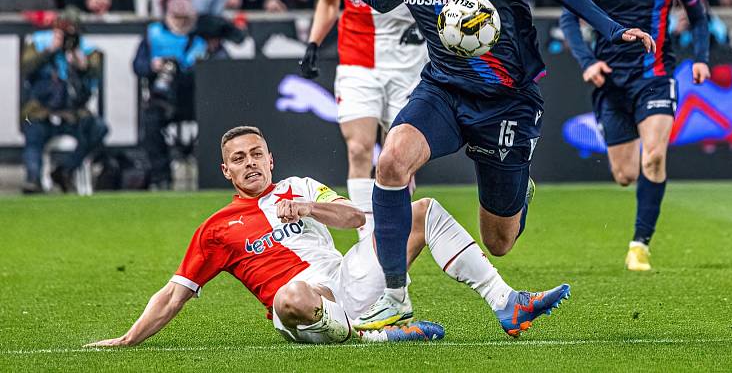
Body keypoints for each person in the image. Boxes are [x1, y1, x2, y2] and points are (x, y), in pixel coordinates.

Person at [288, 0, 653, 330]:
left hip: (507, 103)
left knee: (498, 241)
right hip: (443, 89)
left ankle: (520, 195)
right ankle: (395, 296)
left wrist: (613, 29)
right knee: (391, 162)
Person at [84, 126, 570, 346]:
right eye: (240, 158)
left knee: (423, 211)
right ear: (225, 170)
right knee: (290, 296)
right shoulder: (215, 230)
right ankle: (373, 336)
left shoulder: (297, 185)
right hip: (307, 306)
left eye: (257, 154)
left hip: (350, 276)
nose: (250, 163)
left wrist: (309, 205)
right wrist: (128, 339)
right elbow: (175, 293)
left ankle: (505, 300)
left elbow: (357, 220)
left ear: (270, 159)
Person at [559, 0, 710, 271]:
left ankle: (640, 244)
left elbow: (698, 16)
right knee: (625, 174)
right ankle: (638, 188)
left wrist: (700, 57)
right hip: (610, 80)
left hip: (656, 74)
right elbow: (568, 16)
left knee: (655, 156)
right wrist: (587, 61)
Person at [300, 0, 427, 234]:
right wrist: (313, 42)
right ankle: (366, 241)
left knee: (398, 159)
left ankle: (397, 236)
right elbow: (328, 2)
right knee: (358, 149)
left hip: (407, 64)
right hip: (357, 62)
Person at [20, 9, 108, 194]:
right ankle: (33, 179)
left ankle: (64, 171)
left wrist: (82, 66)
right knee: (31, 131)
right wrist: (50, 51)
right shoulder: (39, 42)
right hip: (39, 111)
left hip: (73, 114)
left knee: (98, 128)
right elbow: (26, 68)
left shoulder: (88, 49)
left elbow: (96, 75)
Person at [132, 0, 207, 190]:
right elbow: (137, 67)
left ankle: (210, 172)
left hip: (192, 97)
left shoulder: (200, 39)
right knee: (150, 122)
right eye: (177, 18)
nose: (181, 23)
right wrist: (153, 66)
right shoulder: (153, 34)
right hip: (162, 97)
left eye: (185, 19)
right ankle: (161, 175)